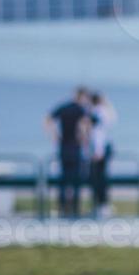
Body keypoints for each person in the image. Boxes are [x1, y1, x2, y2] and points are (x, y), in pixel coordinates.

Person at [44, 87, 94, 218]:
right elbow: (85, 126)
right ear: (81, 96)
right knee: (76, 179)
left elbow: (48, 119)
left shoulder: (64, 107)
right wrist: (85, 139)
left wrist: (54, 135)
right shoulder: (81, 110)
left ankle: (62, 208)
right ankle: (75, 209)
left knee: (64, 179)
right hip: (75, 147)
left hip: (63, 147)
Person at [88, 90, 117, 219]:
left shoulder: (97, 112)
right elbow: (113, 118)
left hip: (99, 149)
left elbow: (97, 133)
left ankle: (101, 205)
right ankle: (102, 205)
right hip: (102, 148)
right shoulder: (103, 111)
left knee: (98, 178)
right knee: (100, 178)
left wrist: (98, 151)